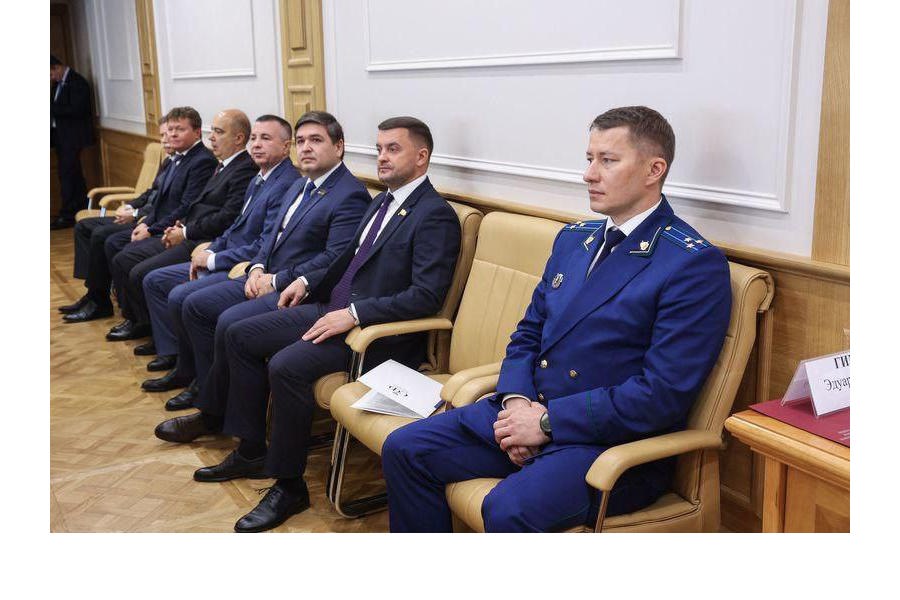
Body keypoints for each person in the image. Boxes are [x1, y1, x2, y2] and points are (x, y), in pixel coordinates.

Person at [380, 106, 732, 532]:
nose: (589, 174)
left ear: (653, 170)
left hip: (607, 443)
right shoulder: (574, 240)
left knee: (507, 508)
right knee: (405, 448)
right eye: (589, 158)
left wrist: (546, 424)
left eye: (608, 160)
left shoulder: (690, 262)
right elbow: (528, 334)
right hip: (531, 410)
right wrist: (517, 405)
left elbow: (660, 395)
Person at [156, 116, 462, 533]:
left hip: (371, 336)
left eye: (394, 149)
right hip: (330, 309)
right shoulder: (381, 202)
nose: (382, 157)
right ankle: (251, 449)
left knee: (287, 366)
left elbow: (425, 296)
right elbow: (344, 261)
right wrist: (303, 281)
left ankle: (289, 485)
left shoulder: (434, 215)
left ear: (422, 156)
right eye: (379, 149)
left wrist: (354, 314)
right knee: (240, 334)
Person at [144, 111, 370, 404]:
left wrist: (274, 279)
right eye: (301, 141)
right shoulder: (301, 184)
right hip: (261, 275)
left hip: (296, 288)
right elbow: (269, 238)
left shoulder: (349, 194)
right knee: (193, 303)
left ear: (338, 147)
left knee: (223, 320)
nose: (305, 147)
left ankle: (211, 401)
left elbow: (333, 259)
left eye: (315, 140)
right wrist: (257, 268)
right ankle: (202, 388)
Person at [138, 115, 300, 379]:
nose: (256, 144)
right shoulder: (260, 178)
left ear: (286, 146)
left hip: (241, 265)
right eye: (254, 138)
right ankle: (181, 363)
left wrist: (214, 260)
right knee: (156, 280)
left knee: (184, 298)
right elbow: (236, 226)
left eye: (266, 138)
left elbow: (263, 244)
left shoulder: (286, 183)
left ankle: (201, 378)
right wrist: (211, 250)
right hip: (226, 254)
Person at [106, 108, 256, 342]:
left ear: (238, 138)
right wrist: (180, 225)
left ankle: (152, 332)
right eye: (212, 131)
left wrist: (184, 231)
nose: (211, 138)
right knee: (125, 255)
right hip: (188, 232)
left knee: (139, 270)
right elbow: (197, 205)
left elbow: (227, 217)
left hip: (203, 241)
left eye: (218, 132)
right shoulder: (223, 164)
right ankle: (145, 326)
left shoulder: (244, 168)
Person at [97, 107, 218, 336]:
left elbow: (187, 206)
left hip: (183, 232)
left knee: (124, 255)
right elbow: (157, 198)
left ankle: (139, 320)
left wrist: (152, 228)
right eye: (169, 130)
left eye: (179, 129)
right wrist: (145, 223)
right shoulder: (175, 158)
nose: (171, 135)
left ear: (196, 132)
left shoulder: (202, 161)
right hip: (163, 225)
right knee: (115, 246)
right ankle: (126, 312)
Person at [60, 119, 172, 323]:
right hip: (141, 214)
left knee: (101, 235)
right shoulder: (170, 161)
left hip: (149, 220)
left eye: (172, 133)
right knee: (84, 226)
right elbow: (149, 193)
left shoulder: (193, 163)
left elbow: (169, 206)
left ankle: (99, 299)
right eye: (163, 135)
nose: (166, 140)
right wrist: (130, 206)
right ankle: (94, 293)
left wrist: (136, 214)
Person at [51, 55, 95, 230]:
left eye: (50, 74)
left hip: (73, 138)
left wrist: (50, 108)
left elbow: (77, 110)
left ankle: (67, 215)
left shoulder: (78, 82)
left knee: (67, 175)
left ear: (57, 67)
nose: (51, 78)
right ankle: (79, 209)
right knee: (72, 175)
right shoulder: (58, 84)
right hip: (61, 138)